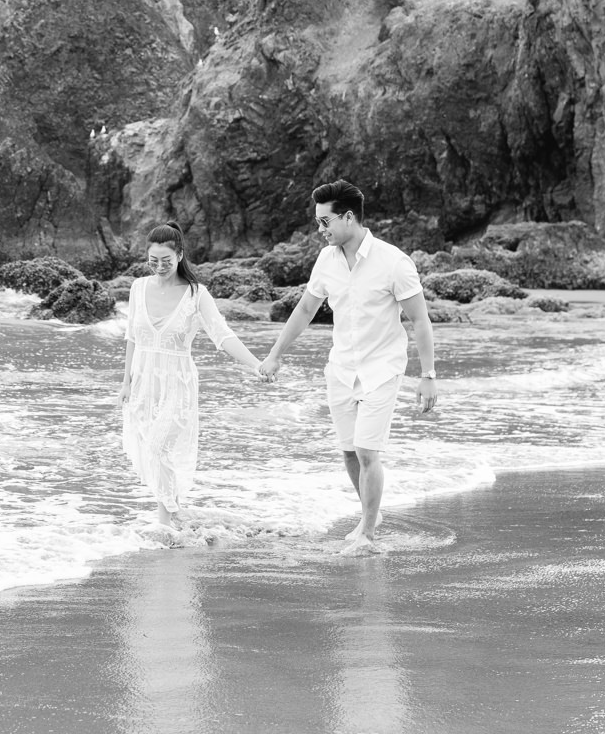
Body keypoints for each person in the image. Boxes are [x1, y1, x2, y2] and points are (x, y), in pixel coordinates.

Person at [257, 180, 440, 555]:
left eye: (325, 222)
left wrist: (428, 376)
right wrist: (275, 353)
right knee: (348, 451)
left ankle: (368, 534)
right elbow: (306, 309)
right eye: (318, 222)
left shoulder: (393, 262)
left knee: (367, 451)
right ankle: (368, 515)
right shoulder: (326, 260)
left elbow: (420, 321)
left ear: (349, 217)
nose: (320, 230)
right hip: (341, 368)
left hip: (382, 368)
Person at [117, 223, 266, 526]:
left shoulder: (197, 294)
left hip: (178, 383)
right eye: (153, 260)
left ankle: (164, 525)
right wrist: (126, 382)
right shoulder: (138, 288)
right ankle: (173, 515)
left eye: (166, 261)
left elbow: (223, 337)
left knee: (160, 446)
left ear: (180, 255)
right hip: (144, 383)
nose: (159, 267)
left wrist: (256, 365)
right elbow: (132, 337)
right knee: (155, 452)